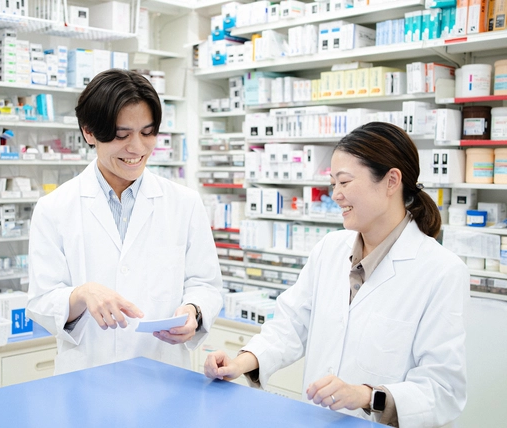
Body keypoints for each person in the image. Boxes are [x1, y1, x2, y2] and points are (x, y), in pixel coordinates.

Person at [204, 122, 469, 427]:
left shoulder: (441, 271)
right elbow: (290, 326)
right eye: (333, 184)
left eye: (344, 182)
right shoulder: (329, 249)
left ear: (391, 181)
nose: (335, 195)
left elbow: (444, 389)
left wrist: (367, 396)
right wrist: (240, 363)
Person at [27, 69, 223, 374]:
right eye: (122, 135)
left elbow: (205, 284)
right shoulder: (54, 208)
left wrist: (194, 311)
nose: (138, 148)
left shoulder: (184, 203)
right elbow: (41, 301)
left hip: (163, 375)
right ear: (89, 132)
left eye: (147, 133)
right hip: (87, 376)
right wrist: (81, 295)